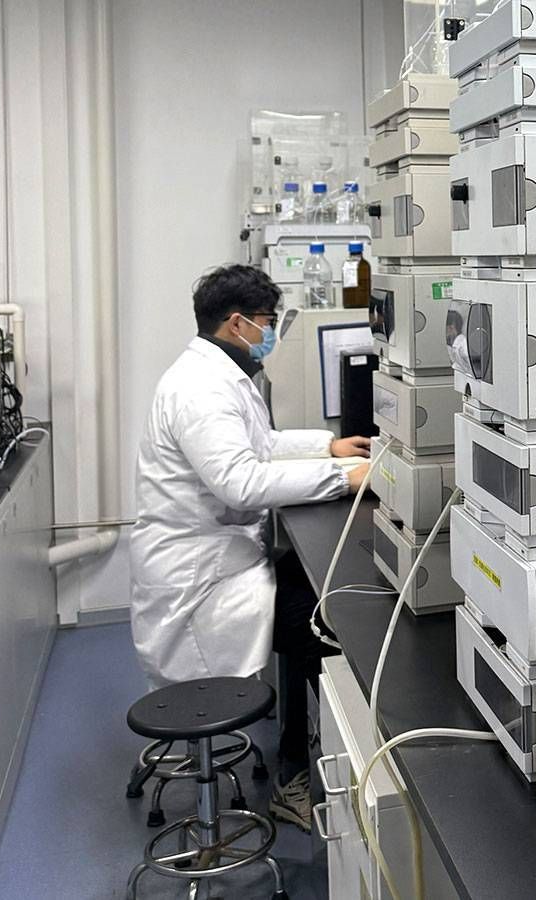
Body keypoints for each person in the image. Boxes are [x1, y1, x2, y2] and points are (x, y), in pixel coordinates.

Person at [129, 264, 371, 832]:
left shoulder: (217, 376)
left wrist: (328, 447)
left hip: (220, 560)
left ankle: (302, 758)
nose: (271, 333)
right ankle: (297, 776)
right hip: (201, 580)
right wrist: (343, 479)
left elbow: (258, 444)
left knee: (312, 602)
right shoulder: (201, 390)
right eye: (268, 321)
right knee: (318, 625)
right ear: (237, 323)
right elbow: (240, 481)